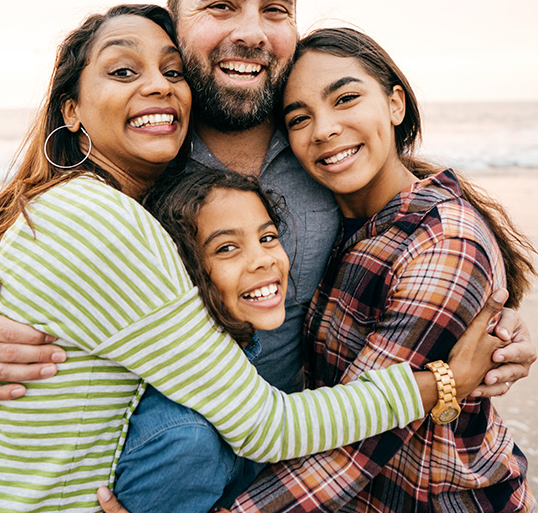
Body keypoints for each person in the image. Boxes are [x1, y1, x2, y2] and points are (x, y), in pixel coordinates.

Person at [0, 0, 535, 482]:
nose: (250, 32)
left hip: (308, 454)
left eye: (274, 9)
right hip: (164, 465)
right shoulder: (146, 139)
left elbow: (417, 221)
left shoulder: (318, 138)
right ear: (175, 19)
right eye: (222, 5)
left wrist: (498, 315)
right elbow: (21, 224)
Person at [228, 28, 537, 512]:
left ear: (395, 104)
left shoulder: (443, 242)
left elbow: (359, 439)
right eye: (299, 118)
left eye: (346, 98)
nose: (324, 129)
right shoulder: (324, 221)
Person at [106, 166, 511, 513]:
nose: (264, 258)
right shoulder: (183, 440)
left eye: (267, 237)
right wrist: (447, 383)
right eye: (227, 248)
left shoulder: (238, 377)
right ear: (180, 273)